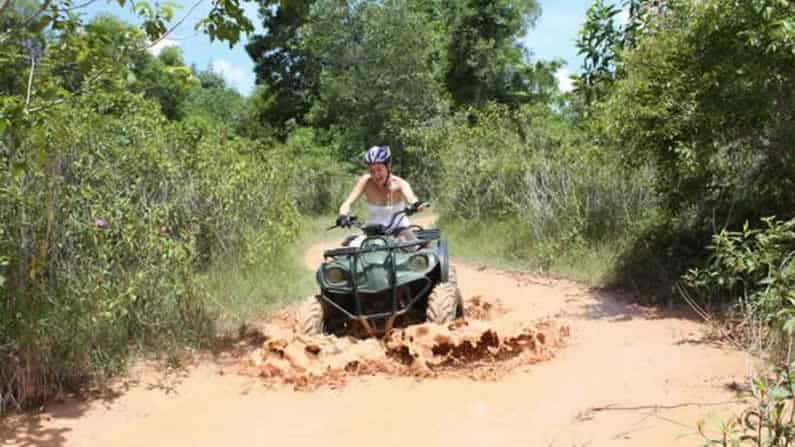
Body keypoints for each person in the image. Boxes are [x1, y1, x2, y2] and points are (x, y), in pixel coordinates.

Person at [336, 145, 427, 246]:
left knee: (413, 248)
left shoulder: (400, 183)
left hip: (399, 230)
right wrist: (342, 215)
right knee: (353, 250)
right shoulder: (365, 182)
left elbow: (412, 199)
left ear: (388, 167)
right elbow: (347, 203)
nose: (376, 175)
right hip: (373, 232)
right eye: (372, 171)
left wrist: (417, 205)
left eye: (379, 169)